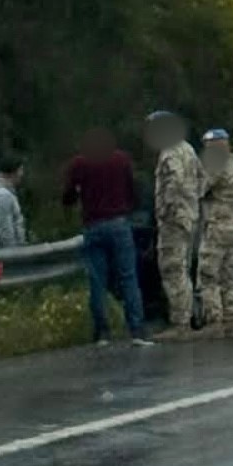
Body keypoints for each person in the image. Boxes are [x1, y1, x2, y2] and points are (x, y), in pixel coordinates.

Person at [62, 128, 154, 347]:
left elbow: (69, 195)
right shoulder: (121, 160)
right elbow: (133, 189)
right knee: (129, 278)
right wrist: (129, 208)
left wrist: (76, 200)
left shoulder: (79, 164)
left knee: (97, 280)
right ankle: (137, 331)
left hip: (93, 225)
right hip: (119, 223)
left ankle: (102, 333)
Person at [145, 110, 205, 339]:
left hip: (174, 221)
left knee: (172, 269)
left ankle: (180, 324)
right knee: (183, 268)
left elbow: (175, 181)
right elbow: (202, 179)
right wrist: (192, 205)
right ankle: (188, 318)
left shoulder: (170, 152)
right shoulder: (187, 148)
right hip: (189, 217)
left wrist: (169, 209)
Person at [195, 128, 233, 338]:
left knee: (208, 272)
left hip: (217, 222)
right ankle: (230, 321)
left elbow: (201, 188)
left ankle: (214, 320)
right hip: (232, 222)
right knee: (228, 275)